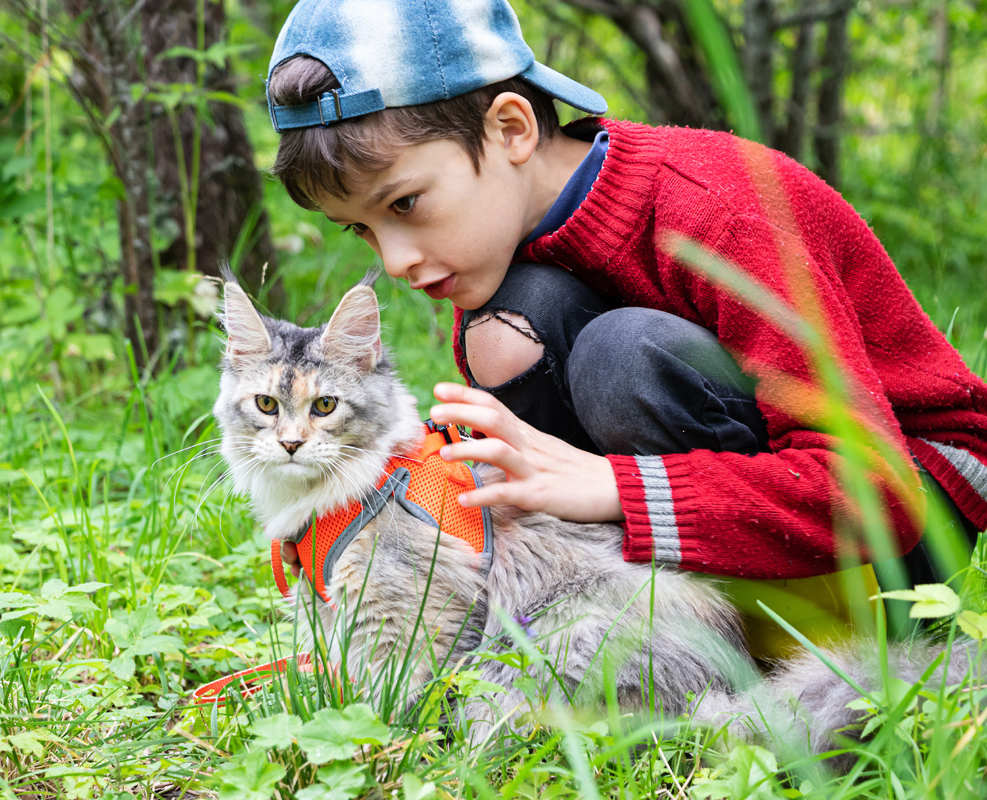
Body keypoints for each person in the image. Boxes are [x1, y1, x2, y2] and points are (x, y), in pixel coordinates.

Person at [264, 0, 987, 654]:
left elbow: (878, 492)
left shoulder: (718, 210)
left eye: (406, 204)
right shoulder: (501, 265)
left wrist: (616, 487)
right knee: (514, 324)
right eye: (360, 229)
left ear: (511, 128)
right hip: (751, 501)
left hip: (913, 512)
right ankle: (648, 632)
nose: (395, 260)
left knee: (623, 355)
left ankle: (783, 640)